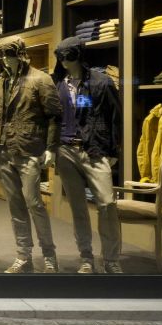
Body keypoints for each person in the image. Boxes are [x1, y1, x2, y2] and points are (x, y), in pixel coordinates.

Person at [0, 37, 62, 273]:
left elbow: (54, 116)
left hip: (28, 149)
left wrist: (51, 148)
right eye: (3, 56)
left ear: (21, 55)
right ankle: (23, 255)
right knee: (15, 205)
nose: (6, 60)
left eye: (10, 55)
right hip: (2, 150)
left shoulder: (40, 79)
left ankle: (49, 255)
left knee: (34, 202)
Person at [52, 37, 123, 274]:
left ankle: (111, 259)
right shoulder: (56, 83)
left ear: (79, 55)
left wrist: (113, 150)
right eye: (60, 56)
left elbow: (115, 117)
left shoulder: (101, 81)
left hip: (95, 149)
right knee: (78, 207)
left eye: (68, 55)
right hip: (65, 150)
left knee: (107, 203)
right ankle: (86, 258)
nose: (64, 61)